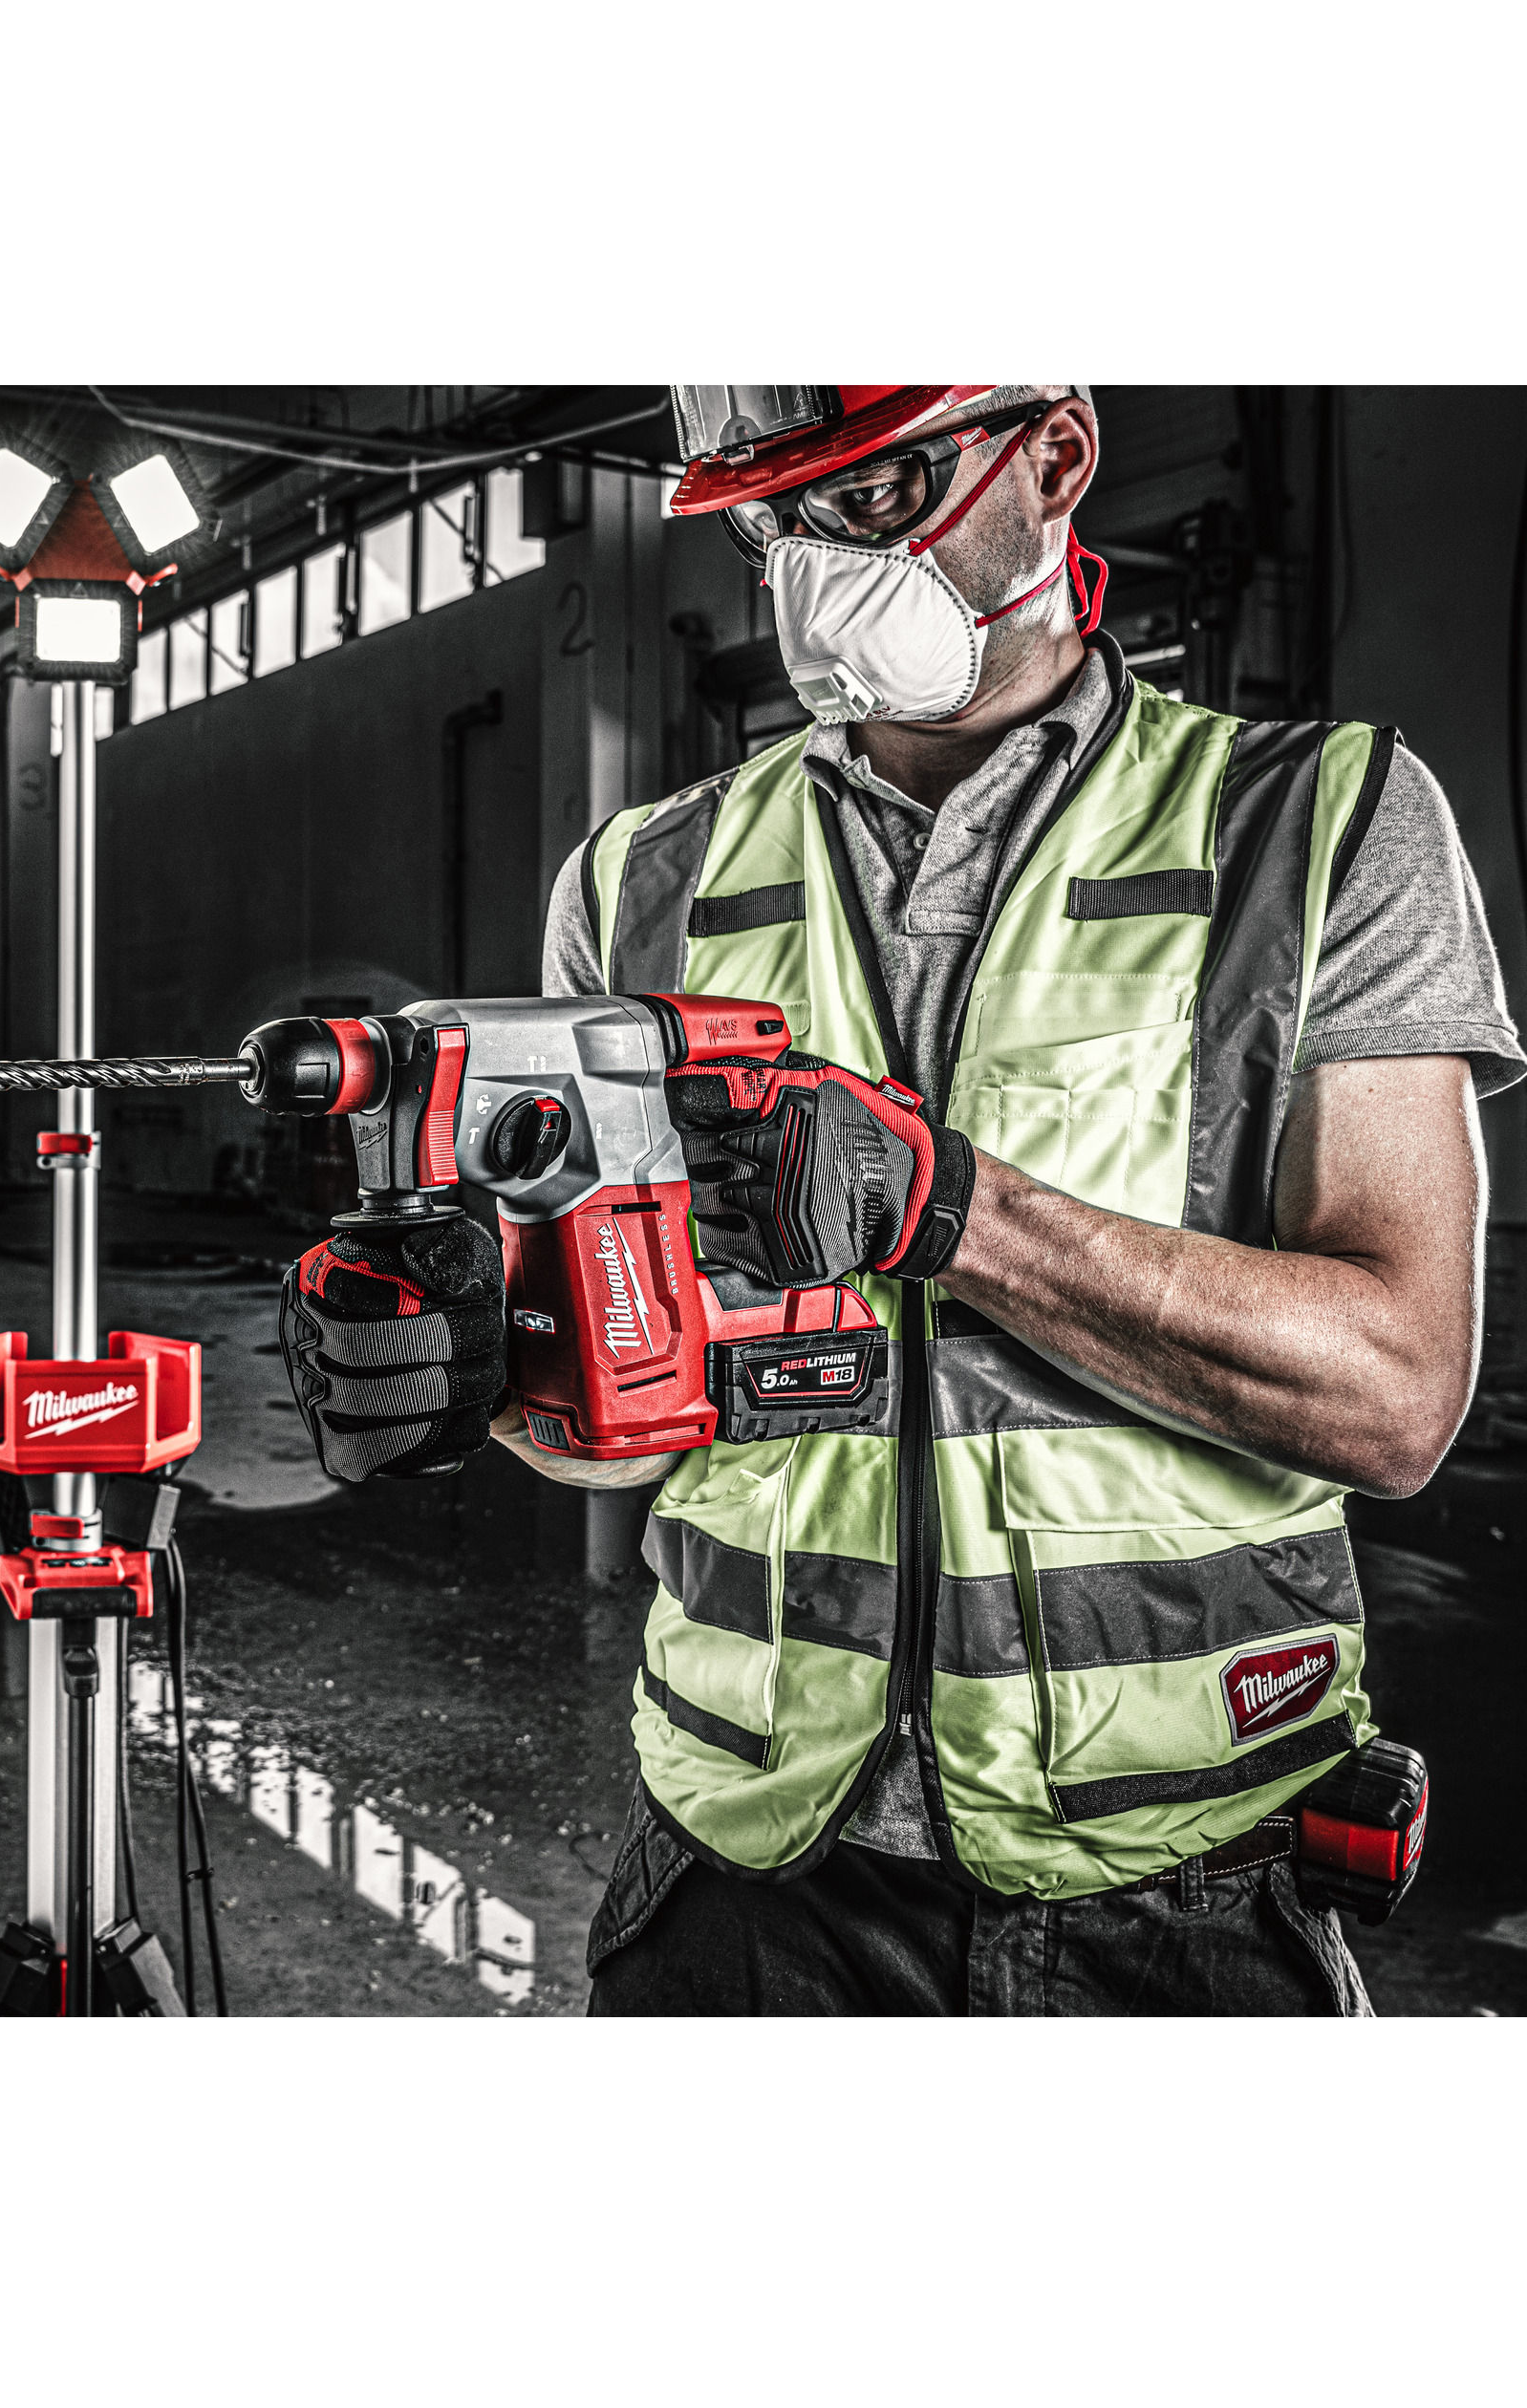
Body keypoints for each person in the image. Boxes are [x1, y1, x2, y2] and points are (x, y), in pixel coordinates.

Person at [286, 385, 1523, 2015]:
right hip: (740, 1867)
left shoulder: (1318, 825)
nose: (811, 566)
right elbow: (625, 1424)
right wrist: (477, 1378)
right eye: (769, 519)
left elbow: (1396, 1394)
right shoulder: (640, 880)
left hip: (1181, 1884)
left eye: (871, 494)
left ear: (1055, 457)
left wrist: (955, 1213)